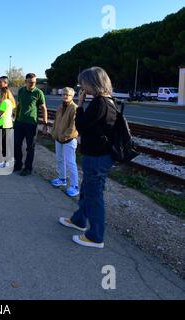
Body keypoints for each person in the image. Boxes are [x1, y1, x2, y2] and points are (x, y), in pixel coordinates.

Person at [59, 67, 118, 249]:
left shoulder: (100, 103)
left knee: (94, 195)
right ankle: (79, 219)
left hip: (98, 156)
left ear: (93, 82)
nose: (81, 87)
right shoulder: (107, 100)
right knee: (87, 190)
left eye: (83, 83)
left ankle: (95, 236)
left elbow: (82, 126)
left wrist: (81, 104)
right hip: (99, 155)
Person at [14, 73, 48, 176]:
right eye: (30, 82)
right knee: (16, 145)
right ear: (26, 82)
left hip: (31, 124)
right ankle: (18, 164)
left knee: (30, 147)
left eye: (34, 82)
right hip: (19, 123)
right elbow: (18, 105)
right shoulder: (21, 91)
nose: (32, 84)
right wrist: (15, 118)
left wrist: (45, 124)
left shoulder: (38, 93)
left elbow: (43, 108)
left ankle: (28, 168)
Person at [50, 87, 80, 197]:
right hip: (58, 138)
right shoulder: (60, 107)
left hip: (69, 140)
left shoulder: (74, 108)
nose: (65, 96)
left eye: (67, 95)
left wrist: (65, 136)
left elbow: (73, 126)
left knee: (70, 162)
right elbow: (56, 122)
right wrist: (54, 132)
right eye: (63, 94)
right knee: (59, 159)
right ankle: (62, 179)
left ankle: (75, 186)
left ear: (72, 96)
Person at [0, 87, 16, 169]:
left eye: (0, 93)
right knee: (6, 145)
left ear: (3, 94)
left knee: (0, 144)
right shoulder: (10, 102)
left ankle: (0, 162)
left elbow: (0, 114)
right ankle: (7, 162)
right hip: (8, 125)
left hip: (2, 125)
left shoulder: (4, 102)